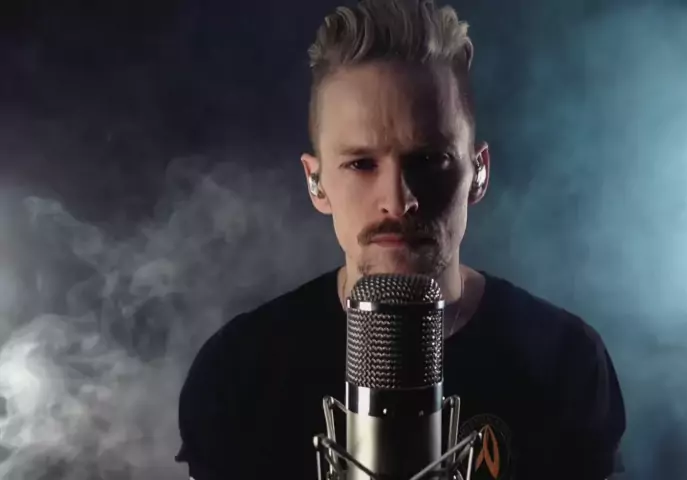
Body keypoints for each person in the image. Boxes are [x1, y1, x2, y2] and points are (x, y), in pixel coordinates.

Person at [175, 0, 626, 478]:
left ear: (477, 172)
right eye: (361, 164)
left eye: (428, 160)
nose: (397, 200)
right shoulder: (239, 372)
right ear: (316, 182)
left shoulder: (565, 364)